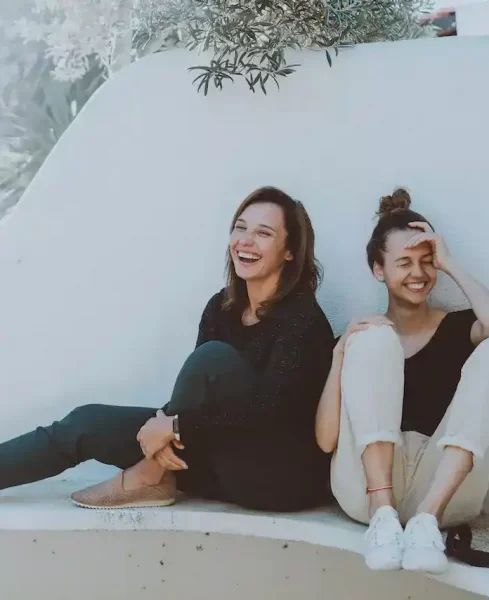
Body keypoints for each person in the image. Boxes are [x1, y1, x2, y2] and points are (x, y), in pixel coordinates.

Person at [0, 187, 334, 512]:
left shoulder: (302, 319)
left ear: (289, 251)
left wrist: (173, 427)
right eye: (240, 227)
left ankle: (149, 475)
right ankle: (155, 469)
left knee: (212, 357)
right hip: (218, 460)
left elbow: (273, 415)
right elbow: (197, 398)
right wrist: (164, 426)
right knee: (84, 423)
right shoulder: (222, 307)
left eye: (263, 233)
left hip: (276, 479)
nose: (245, 240)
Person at [315, 188, 489, 573]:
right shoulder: (361, 338)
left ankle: (425, 520)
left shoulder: (458, 326)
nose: (418, 273)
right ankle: (383, 515)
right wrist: (339, 354)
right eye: (404, 262)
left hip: (442, 491)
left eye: (427, 262)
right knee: (373, 337)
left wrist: (450, 264)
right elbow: (326, 440)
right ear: (379, 270)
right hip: (365, 491)